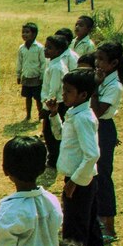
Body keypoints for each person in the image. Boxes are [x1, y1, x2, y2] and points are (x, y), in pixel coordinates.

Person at [47, 69, 111, 246]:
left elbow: (92, 154)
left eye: (68, 91)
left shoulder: (83, 117)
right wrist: (54, 114)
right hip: (80, 180)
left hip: (80, 183)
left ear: (83, 95)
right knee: (90, 229)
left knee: (75, 233)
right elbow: (60, 136)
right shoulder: (75, 112)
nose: (63, 94)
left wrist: (74, 180)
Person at [91, 43, 123, 243]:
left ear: (113, 63)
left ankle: (110, 227)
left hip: (103, 128)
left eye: (101, 60)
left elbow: (97, 111)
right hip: (96, 127)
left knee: (103, 177)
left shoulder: (114, 85)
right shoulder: (104, 78)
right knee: (93, 173)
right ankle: (97, 218)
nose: (97, 63)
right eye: (96, 58)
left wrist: (95, 86)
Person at [41, 35, 70, 168]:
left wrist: (46, 107)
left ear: (58, 51)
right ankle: (53, 157)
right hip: (52, 104)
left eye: (49, 48)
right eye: (46, 46)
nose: (45, 50)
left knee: (52, 134)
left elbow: (53, 90)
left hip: (55, 105)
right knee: (49, 133)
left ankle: (54, 159)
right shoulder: (52, 63)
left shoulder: (57, 67)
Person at [16, 22, 46, 121]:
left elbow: (43, 63)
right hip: (26, 76)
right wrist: (18, 75)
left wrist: (42, 76)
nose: (24, 34)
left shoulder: (39, 48)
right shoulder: (21, 48)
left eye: (27, 32)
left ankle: (40, 115)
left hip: (36, 77)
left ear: (34, 34)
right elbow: (19, 62)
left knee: (38, 98)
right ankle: (28, 115)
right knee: (27, 97)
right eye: (23, 32)